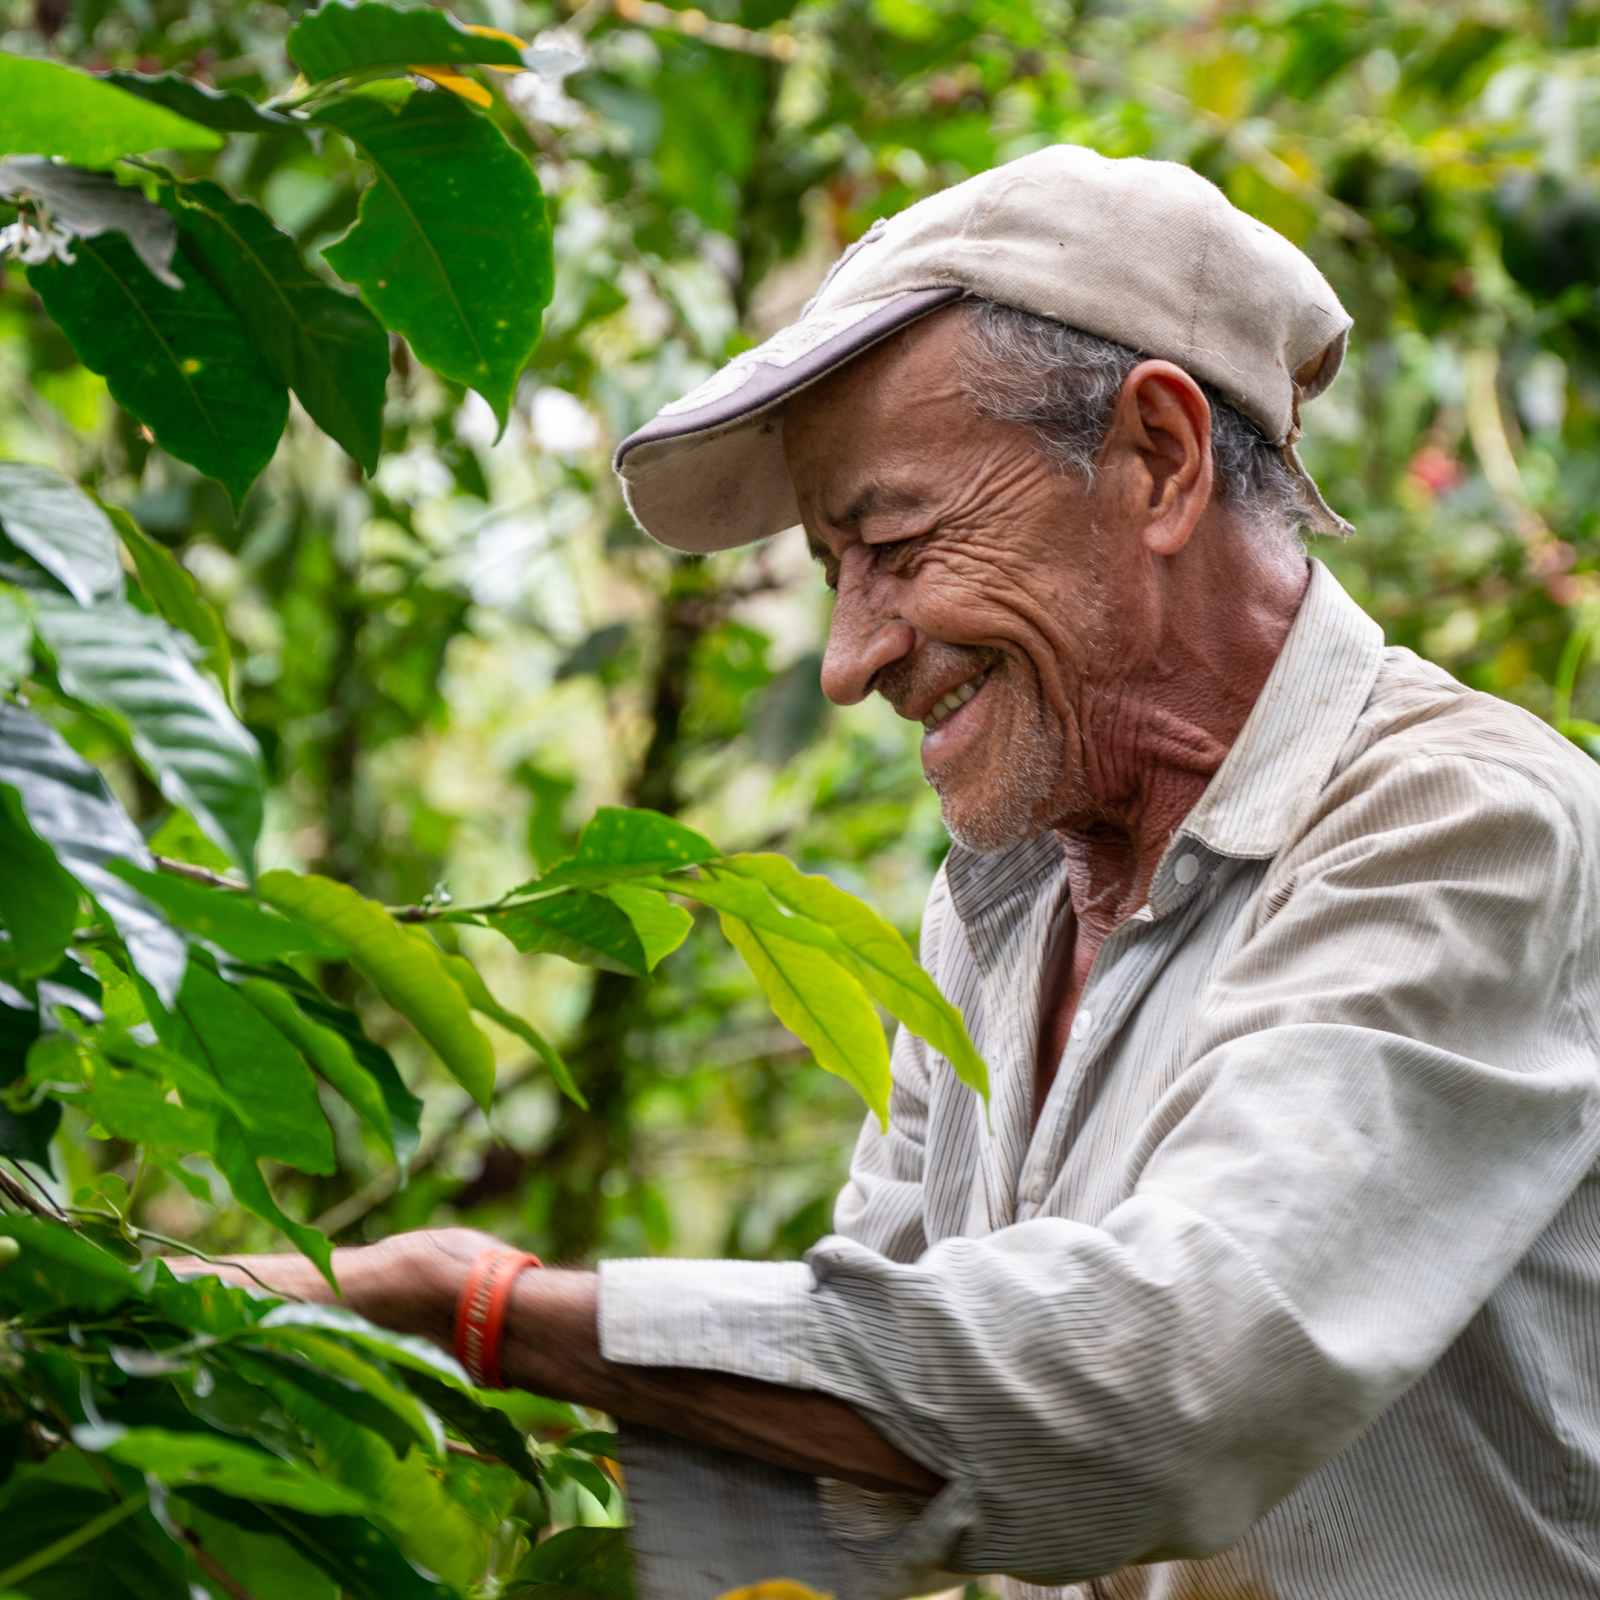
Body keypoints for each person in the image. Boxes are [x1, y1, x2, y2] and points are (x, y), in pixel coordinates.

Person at [179, 147, 1600, 1600]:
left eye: (900, 545)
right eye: (832, 571)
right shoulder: (1006, 897)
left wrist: (475, 1307)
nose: (851, 657)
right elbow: (877, 1438)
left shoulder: (1464, 828)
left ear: (1160, 460)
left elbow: (1165, 1382)